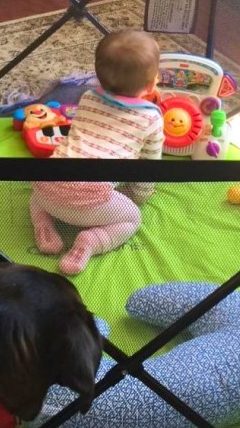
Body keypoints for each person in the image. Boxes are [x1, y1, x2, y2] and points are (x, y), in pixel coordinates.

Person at [30, 29, 164, 275]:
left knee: (39, 188)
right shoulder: (151, 117)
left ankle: (42, 221)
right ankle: (92, 240)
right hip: (93, 205)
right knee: (132, 218)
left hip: (46, 188)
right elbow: (148, 166)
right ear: (151, 84)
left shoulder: (88, 97)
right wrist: (141, 196)